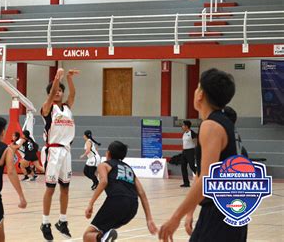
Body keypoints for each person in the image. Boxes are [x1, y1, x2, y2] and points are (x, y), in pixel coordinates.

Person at [159, 68, 247, 242]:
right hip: (234, 210)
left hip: (219, 213)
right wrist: (190, 211)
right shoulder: (226, 124)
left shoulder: (211, 126)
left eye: (197, 87)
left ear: (200, 95)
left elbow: (206, 178)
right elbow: (202, 174)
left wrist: (175, 217)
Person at [83, 141, 157, 242]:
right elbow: (142, 193)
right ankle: (104, 237)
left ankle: (103, 239)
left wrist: (90, 204)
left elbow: (103, 181)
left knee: (88, 235)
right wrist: (149, 219)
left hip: (116, 202)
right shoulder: (129, 168)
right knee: (102, 231)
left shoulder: (104, 165)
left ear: (108, 153)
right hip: (132, 207)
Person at [40, 67, 79, 241]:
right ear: (51, 93)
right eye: (55, 91)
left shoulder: (67, 107)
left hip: (66, 151)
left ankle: (62, 221)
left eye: (60, 91)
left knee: (65, 188)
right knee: (50, 188)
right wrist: (57, 78)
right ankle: (45, 222)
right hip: (53, 151)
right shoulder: (47, 108)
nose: (58, 93)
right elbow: (50, 96)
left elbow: (73, 95)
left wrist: (69, 79)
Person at [180, 120, 197, 188]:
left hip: (191, 151)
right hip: (184, 151)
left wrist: (196, 152)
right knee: (183, 167)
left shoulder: (192, 133)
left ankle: (202, 178)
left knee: (192, 166)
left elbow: (196, 143)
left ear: (186, 126)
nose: (182, 126)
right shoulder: (184, 133)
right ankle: (186, 183)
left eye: (183, 125)